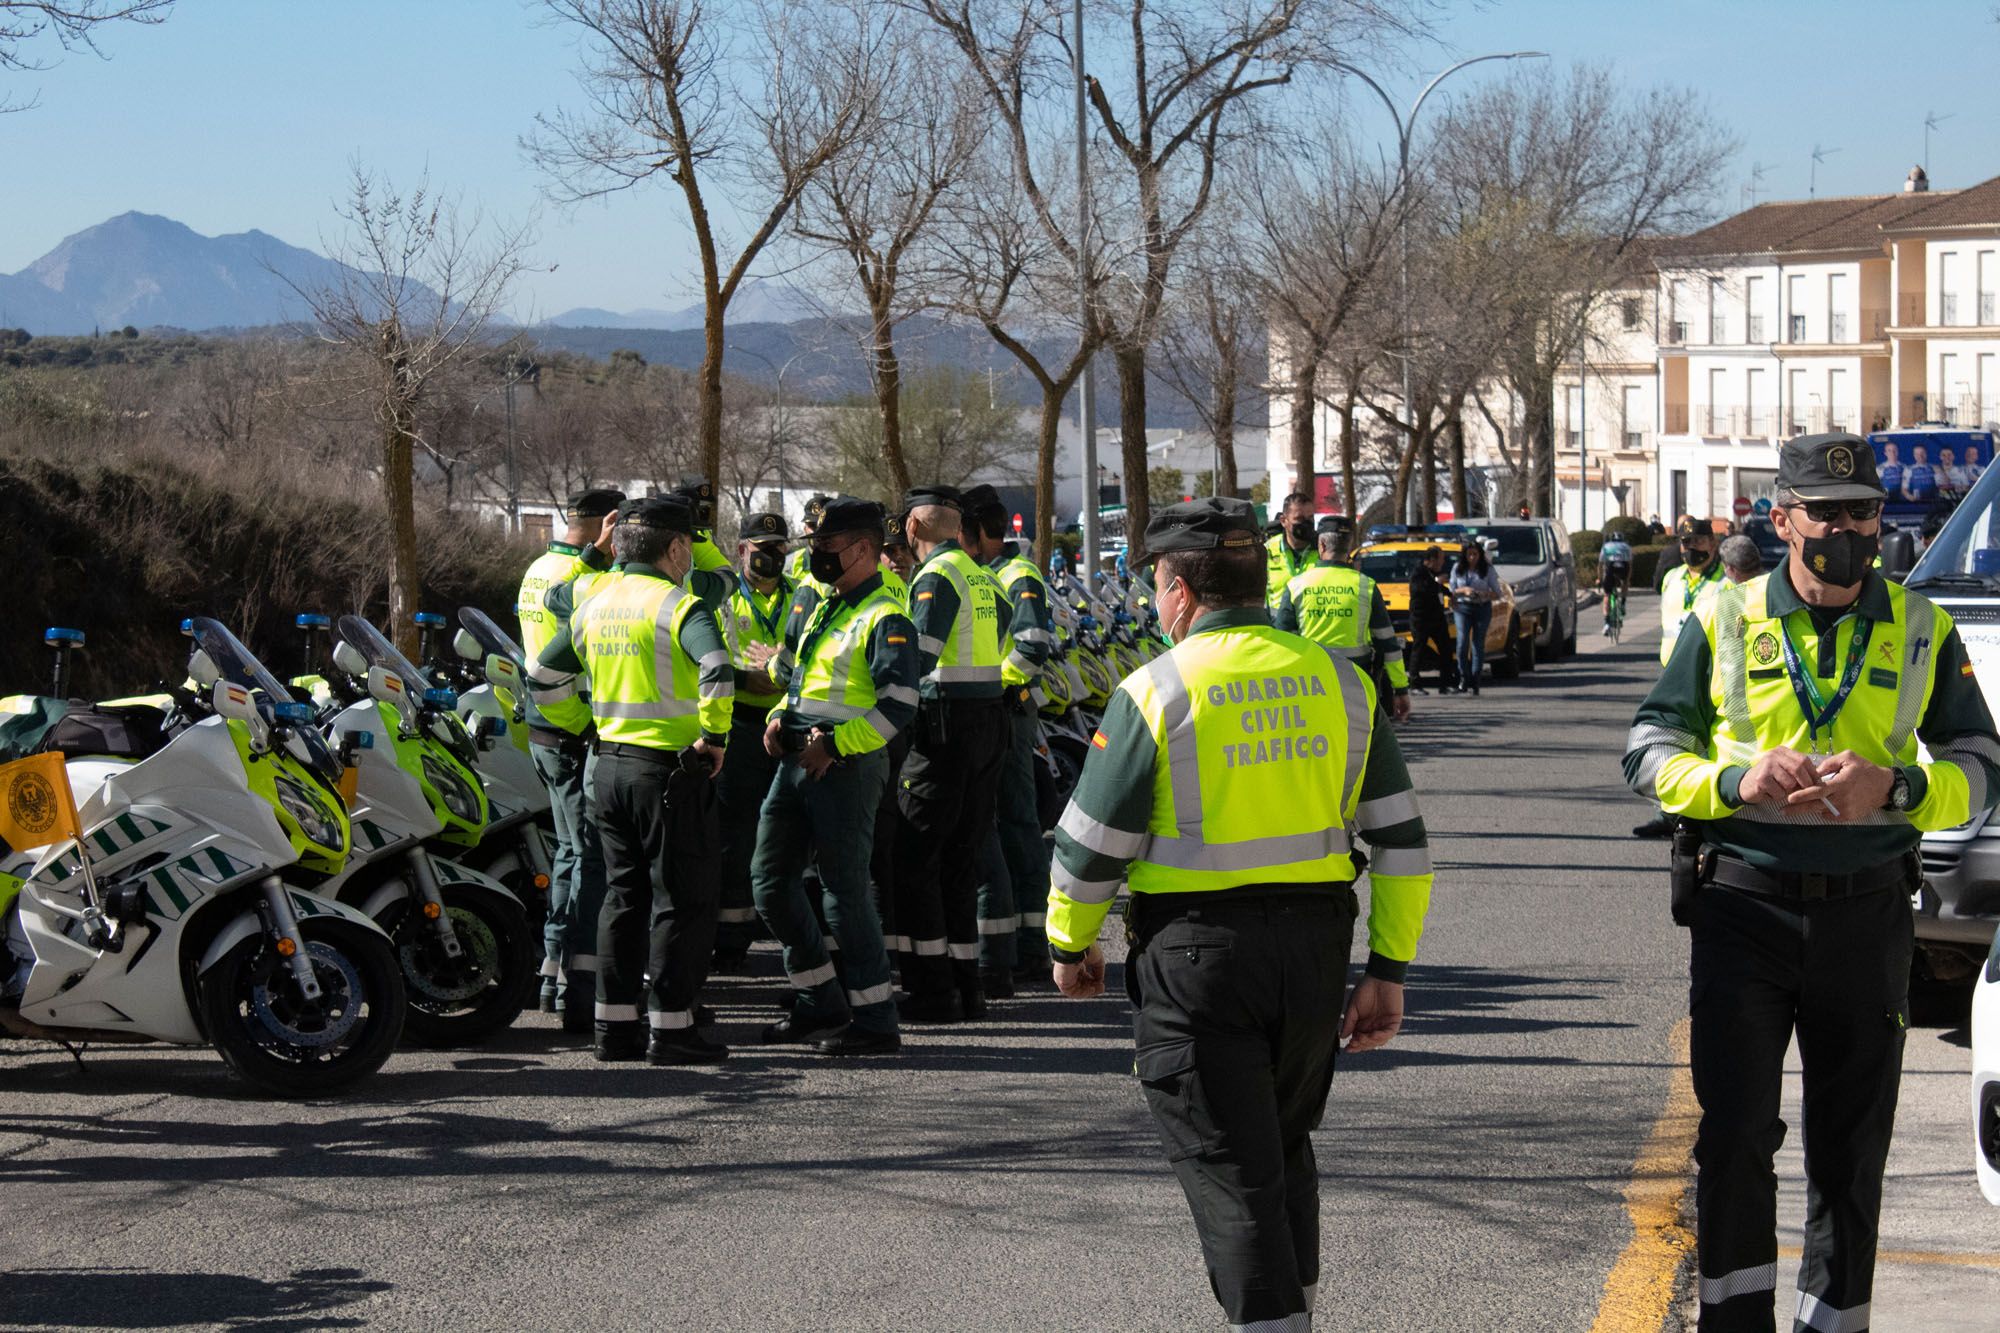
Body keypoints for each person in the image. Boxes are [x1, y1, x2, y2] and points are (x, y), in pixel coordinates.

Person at [1623, 432, 2000, 1333]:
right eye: (1826, 512)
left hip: (1868, 919)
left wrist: (1901, 786)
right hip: (1743, 907)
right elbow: (1646, 750)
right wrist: (1731, 782)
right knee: (1736, 1141)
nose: (1848, 527)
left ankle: (1835, 1324)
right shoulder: (1721, 614)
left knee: (1850, 1150)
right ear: (1782, 517)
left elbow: (1982, 766)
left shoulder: (1921, 624)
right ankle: (1735, 1322)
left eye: (1863, 510)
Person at [1047, 496, 1434, 1333]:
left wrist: (1069, 943)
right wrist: (1389, 971)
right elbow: (1402, 843)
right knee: (1279, 1148)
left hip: (1197, 960)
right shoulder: (1343, 682)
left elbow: (1086, 848)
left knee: (1231, 1167)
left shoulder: (1155, 688)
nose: (1156, 601)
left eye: (1156, 583)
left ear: (1180, 589)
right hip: (1315, 949)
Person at [530, 495, 736, 1066]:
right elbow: (717, 670)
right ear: (675, 548)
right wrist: (713, 739)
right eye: (688, 547)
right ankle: (671, 1031)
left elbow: (541, 676)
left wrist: (583, 726)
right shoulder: (681, 605)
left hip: (609, 769)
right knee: (681, 903)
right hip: (669, 772)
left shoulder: (593, 604)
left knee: (622, 897)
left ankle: (613, 1031)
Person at [750, 496, 918, 1056]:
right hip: (797, 759)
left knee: (844, 894)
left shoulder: (885, 617)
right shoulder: (826, 605)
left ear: (864, 550)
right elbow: (800, 679)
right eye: (815, 547)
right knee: (769, 884)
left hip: (844, 767)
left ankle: (875, 1021)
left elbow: (898, 708)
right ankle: (818, 999)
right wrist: (778, 716)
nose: (816, 557)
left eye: (827, 548)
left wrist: (837, 747)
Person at [891, 486, 1009, 1022]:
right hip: (986, 724)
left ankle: (933, 992)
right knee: (961, 862)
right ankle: (968, 988)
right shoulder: (984, 575)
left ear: (913, 528)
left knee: (918, 861)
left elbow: (915, 659)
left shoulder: (936, 576)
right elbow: (1004, 632)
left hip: (943, 732)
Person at [515, 487, 623, 1028]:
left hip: (542, 729)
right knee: (588, 858)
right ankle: (576, 984)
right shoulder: (583, 577)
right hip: (574, 726)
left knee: (566, 853)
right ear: (608, 523)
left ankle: (552, 974)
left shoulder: (539, 566)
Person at [960, 483, 1059, 993]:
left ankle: (1031, 949)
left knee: (1017, 825)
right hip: (991, 710)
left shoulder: (1016, 574)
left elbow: (1033, 645)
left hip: (1007, 710)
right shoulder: (984, 574)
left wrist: (990, 686)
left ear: (978, 532)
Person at [710, 510, 795, 972]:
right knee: (735, 834)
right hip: (739, 726)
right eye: (763, 549)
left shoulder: (800, 597)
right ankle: (731, 936)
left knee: (786, 832)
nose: (774, 557)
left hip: (787, 728)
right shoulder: (722, 599)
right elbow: (702, 659)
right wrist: (746, 677)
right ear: (742, 550)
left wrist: (782, 671)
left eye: (780, 549)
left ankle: (782, 925)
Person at [1273, 518, 1411, 720]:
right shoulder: (1366, 586)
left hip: (1310, 686)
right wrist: (1401, 689)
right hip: (1356, 684)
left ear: (1321, 545)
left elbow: (1282, 645)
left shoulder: (1297, 585)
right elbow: (1388, 644)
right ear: (1349, 547)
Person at [1448, 541, 1501, 696]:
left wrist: (1483, 593)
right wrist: (1463, 590)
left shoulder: (1487, 569)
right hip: (1462, 608)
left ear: (1480, 555)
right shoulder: (1458, 568)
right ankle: (1464, 677)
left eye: (1475, 554)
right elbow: (1451, 589)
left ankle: (1476, 678)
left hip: (1481, 608)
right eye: (1469, 554)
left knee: (1478, 643)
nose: (1472, 558)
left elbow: (1497, 592)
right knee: (1462, 641)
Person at [1407, 544, 1459, 693]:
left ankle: (1446, 683)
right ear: (1431, 559)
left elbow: (1437, 588)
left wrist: (1449, 593)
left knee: (1445, 649)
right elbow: (1420, 590)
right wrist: (1438, 584)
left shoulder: (1432, 574)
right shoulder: (1418, 573)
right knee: (1419, 650)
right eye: (1440, 560)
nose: (1442, 563)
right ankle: (1415, 684)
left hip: (1437, 618)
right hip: (1421, 619)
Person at [669, 473, 736, 576]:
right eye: (699, 507)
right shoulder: (680, 532)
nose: (703, 511)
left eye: (707, 506)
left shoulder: (706, 531)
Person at [1264, 492, 1317, 605]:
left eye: (1310, 518)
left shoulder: (1324, 549)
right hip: (1276, 621)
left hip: (1312, 620)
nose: (1306, 524)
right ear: (1284, 521)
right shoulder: (1267, 550)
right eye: (1299, 519)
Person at [785, 494, 833, 586]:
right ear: (805, 529)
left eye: (822, 525)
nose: (817, 532)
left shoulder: (848, 560)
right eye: (812, 526)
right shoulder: (790, 564)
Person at [1599, 533, 1634, 635]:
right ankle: (1622, 602)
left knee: (1607, 595)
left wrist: (1599, 578)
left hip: (1610, 569)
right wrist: (1628, 579)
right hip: (1623, 567)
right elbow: (1630, 565)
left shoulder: (1606, 547)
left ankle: (1606, 624)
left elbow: (1600, 564)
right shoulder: (1627, 547)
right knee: (1625, 582)